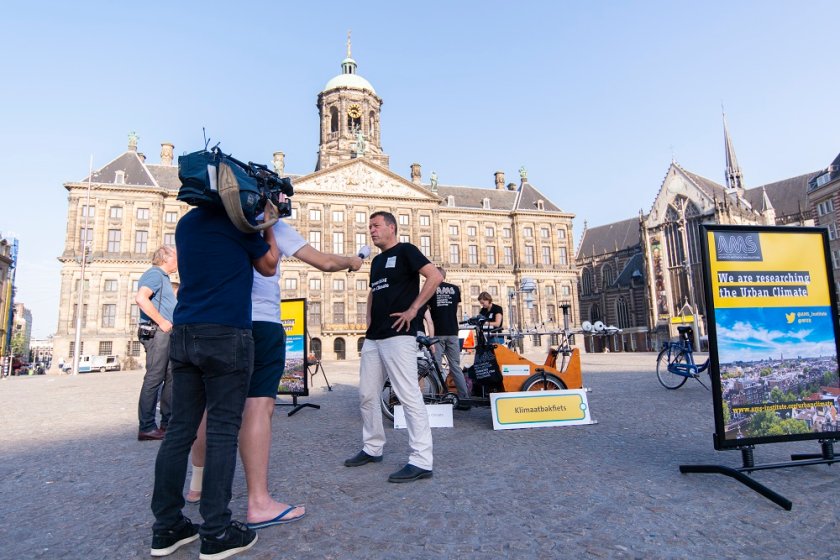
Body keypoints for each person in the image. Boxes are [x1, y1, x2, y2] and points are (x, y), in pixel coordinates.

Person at [186, 215, 363, 529]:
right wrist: (353, 260)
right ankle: (258, 502)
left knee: (209, 406)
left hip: (219, 322)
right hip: (262, 323)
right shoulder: (272, 226)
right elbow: (324, 262)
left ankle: (197, 484)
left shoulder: (216, 222)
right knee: (259, 405)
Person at [149, 203, 278, 559]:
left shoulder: (187, 222)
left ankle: (166, 528)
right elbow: (268, 266)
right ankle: (217, 531)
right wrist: (269, 222)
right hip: (225, 333)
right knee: (222, 430)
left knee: (179, 431)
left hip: (185, 332)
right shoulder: (239, 222)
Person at [344, 211, 442, 483]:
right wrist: (369, 322)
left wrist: (414, 309)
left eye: (376, 226)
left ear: (391, 227)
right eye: (370, 227)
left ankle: (422, 460)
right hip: (375, 337)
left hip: (400, 335)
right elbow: (374, 293)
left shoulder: (407, 251)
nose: (371, 231)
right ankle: (373, 447)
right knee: (366, 394)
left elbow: (434, 276)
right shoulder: (375, 261)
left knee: (408, 394)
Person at [136, 245, 178, 441]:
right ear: (165, 258)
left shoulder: (164, 278)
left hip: (166, 333)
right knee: (154, 377)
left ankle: (167, 423)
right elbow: (141, 298)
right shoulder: (154, 274)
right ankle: (146, 426)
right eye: (176, 257)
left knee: (171, 376)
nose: (178, 261)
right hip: (158, 332)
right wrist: (162, 322)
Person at [426, 267, 470, 409]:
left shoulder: (431, 289)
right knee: (455, 366)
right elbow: (454, 308)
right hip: (452, 331)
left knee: (437, 366)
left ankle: (439, 397)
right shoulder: (455, 289)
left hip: (438, 332)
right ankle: (465, 398)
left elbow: (426, 311)